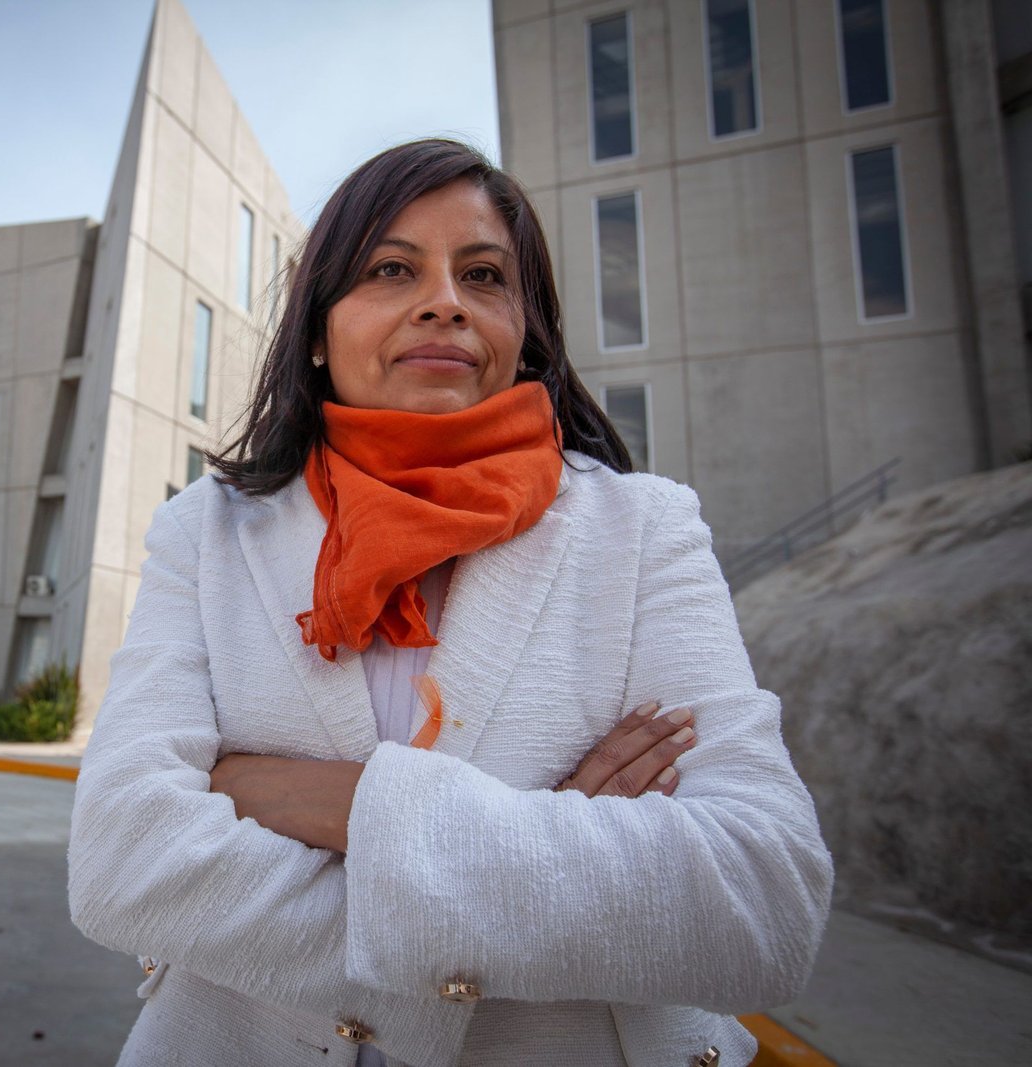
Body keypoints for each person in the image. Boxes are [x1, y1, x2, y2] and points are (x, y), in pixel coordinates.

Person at [68, 139, 832, 1067]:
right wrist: (549, 845)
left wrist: (302, 797)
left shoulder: (643, 528)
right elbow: (122, 861)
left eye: (483, 275)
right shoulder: (205, 532)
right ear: (317, 331)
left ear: (524, 330)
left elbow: (763, 897)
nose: (445, 301)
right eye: (392, 269)